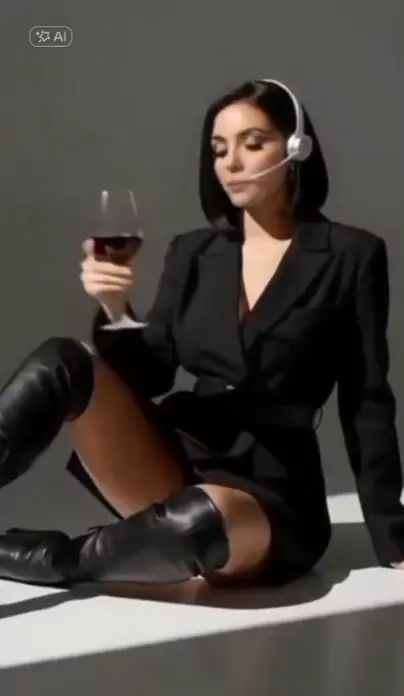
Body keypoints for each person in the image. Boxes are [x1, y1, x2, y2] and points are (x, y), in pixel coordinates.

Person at [0, 77, 404, 591]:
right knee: (62, 360)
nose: (231, 162)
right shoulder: (193, 252)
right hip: (177, 454)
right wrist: (115, 308)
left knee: (198, 524)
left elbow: (366, 401)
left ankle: (54, 558)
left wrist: (392, 536)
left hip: (272, 488)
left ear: (296, 148)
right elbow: (150, 373)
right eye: (218, 149)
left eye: (252, 143)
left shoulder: (350, 254)